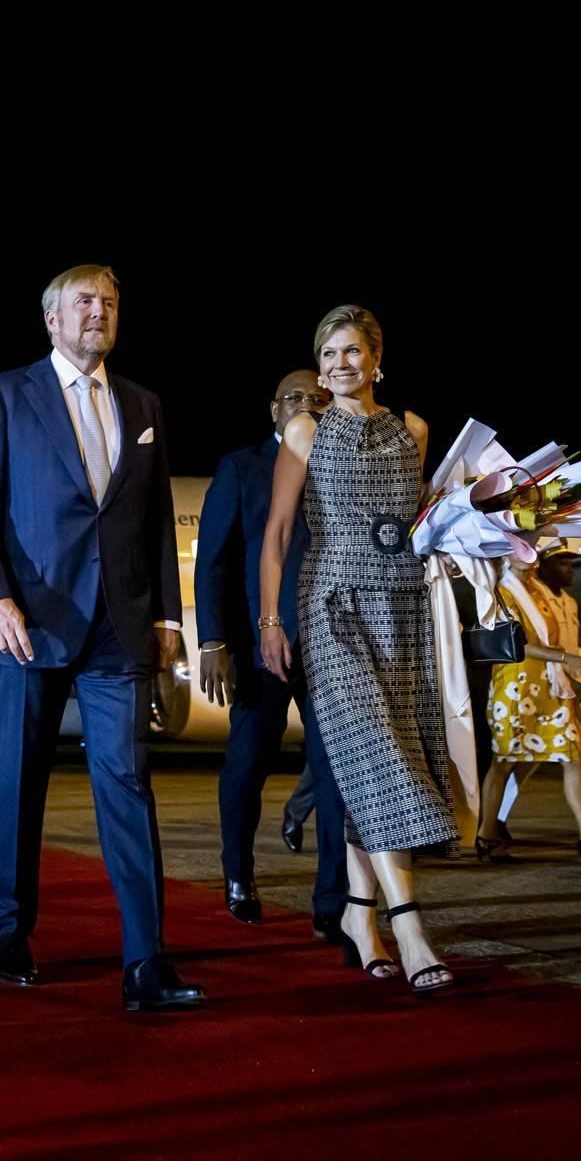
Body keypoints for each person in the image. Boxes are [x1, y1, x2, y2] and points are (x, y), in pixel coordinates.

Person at [0, 264, 201, 1011]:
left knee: (127, 781)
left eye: (110, 302)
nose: (99, 312)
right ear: (51, 319)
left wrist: (166, 618)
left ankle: (146, 962)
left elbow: (155, 520)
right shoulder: (4, 394)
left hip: (118, 627)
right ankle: (10, 930)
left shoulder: (143, 404)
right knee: (19, 780)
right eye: (84, 301)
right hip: (30, 624)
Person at [260, 305, 458, 996]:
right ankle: (410, 927)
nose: (341, 364)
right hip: (333, 606)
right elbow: (278, 533)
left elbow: (415, 518)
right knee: (379, 755)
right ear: (320, 369)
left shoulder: (413, 430)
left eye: (352, 352)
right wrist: (270, 621)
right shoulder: (305, 430)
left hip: (400, 606)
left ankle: (357, 914)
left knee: (366, 766)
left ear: (377, 359)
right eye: (330, 354)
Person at [196, 369, 349, 942]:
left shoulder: (344, 467)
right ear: (274, 409)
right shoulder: (242, 468)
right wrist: (214, 641)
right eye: (295, 398)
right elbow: (214, 560)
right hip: (262, 645)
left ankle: (332, 899)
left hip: (331, 644)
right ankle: (238, 874)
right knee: (248, 763)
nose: (307, 405)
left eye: (318, 398)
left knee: (335, 774)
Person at [476, 552, 581, 868]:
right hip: (516, 690)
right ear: (507, 556)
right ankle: (486, 833)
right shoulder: (501, 592)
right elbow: (516, 644)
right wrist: (566, 659)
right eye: (522, 549)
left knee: (573, 758)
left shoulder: (542, 594)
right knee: (504, 763)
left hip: (550, 687)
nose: (529, 556)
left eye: (532, 549)